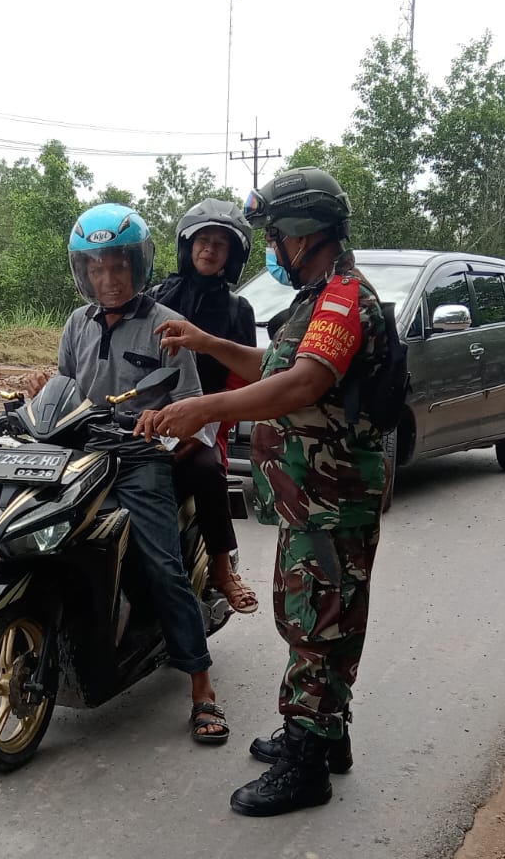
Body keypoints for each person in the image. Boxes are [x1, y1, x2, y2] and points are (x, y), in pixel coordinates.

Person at [137, 167, 387, 815]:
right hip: (313, 496)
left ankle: (307, 766)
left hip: (330, 496)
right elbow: (270, 365)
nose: (272, 248)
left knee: (316, 623)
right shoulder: (315, 298)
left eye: (277, 235)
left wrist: (205, 408)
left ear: (305, 234)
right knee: (317, 617)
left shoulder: (341, 300)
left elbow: (302, 384)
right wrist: (206, 342)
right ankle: (324, 736)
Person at [22, 203, 229, 745]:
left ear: (137, 267)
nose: (107, 279)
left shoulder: (167, 326)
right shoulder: (75, 323)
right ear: (82, 271)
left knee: (162, 564)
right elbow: (65, 389)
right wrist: (40, 394)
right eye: (96, 268)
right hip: (80, 455)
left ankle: (202, 688)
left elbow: (193, 407)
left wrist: (164, 428)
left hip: (140, 462)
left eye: (117, 266)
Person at [148, 199, 260, 615]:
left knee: (208, 470)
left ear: (232, 256)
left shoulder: (237, 310)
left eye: (220, 244)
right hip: (148, 414)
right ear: (186, 246)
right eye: (202, 241)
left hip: (207, 420)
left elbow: (242, 377)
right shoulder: (156, 296)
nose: (209, 250)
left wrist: (210, 423)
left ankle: (221, 568)